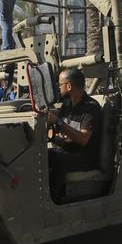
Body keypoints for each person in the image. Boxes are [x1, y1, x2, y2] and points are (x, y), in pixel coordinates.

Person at [47, 68, 104, 203]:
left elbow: (83, 140)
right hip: (67, 151)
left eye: (59, 84)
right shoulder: (67, 105)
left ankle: (52, 200)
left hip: (85, 157)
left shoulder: (91, 107)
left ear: (69, 86)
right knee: (42, 155)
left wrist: (58, 122)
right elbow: (61, 134)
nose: (58, 87)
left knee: (59, 160)